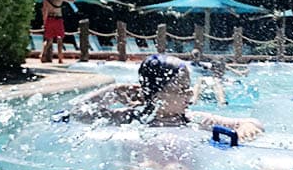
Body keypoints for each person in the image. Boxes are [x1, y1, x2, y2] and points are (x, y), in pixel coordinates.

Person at [70, 54, 263, 140]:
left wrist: (246, 128)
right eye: (181, 89)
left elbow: (252, 121)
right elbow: (78, 113)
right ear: (155, 95)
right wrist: (114, 90)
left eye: (188, 88)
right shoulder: (131, 118)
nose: (189, 94)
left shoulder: (192, 120)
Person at [41, 0, 75, 64]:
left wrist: (44, 21)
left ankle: (43, 55)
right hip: (58, 19)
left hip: (49, 19)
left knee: (48, 39)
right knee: (60, 39)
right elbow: (72, 0)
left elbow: (44, 11)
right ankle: (60, 59)